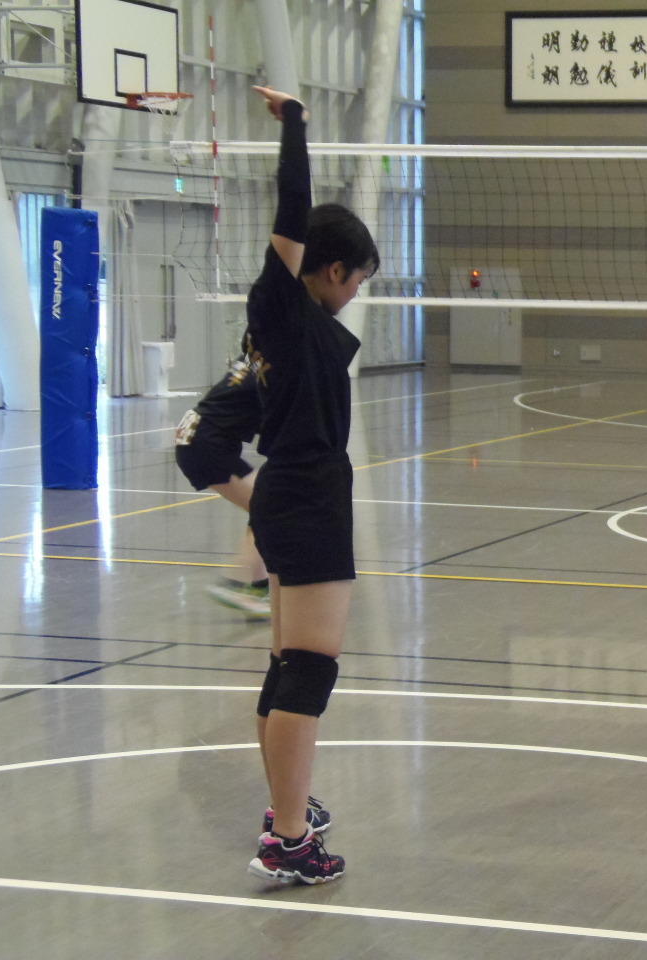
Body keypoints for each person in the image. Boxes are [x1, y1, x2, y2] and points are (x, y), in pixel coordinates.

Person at [244, 85, 379, 885]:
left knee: (288, 665)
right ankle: (290, 838)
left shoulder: (293, 322)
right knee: (309, 669)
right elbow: (293, 208)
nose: (356, 291)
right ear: (331, 269)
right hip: (306, 493)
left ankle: (283, 813)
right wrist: (295, 124)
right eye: (356, 278)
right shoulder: (283, 306)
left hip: (293, 491)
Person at [173, 344, 270, 617]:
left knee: (263, 507)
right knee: (270, 509)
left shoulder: (255, 356)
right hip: (206, 443)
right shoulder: (273, 369)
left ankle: (259, 589)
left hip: (195, 434)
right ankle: (236, 584)